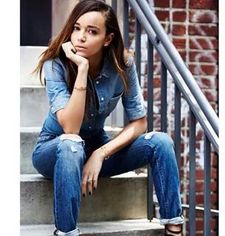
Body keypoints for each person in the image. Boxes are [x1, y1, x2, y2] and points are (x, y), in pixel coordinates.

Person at [32, 0, 184, 235]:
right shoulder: (57, 65)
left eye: (92, 31)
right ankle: (66, 232)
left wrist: (101, 153)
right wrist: (81, 69)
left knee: (161, 142)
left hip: (95, 145)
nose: (80, 37)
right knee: (72, 145)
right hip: (54, 149)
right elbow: (71, 129)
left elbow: (140, 122)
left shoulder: (122, 64)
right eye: (77, 28)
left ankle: (174, 229)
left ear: (108, 39)